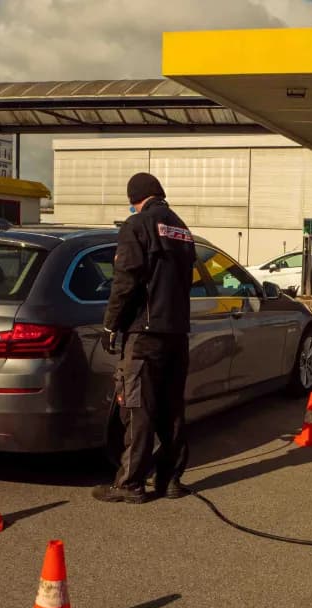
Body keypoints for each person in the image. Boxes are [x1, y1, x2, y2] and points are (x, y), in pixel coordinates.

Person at [92, 173, 196, 504]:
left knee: (137, 409)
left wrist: (111, 325)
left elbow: (125, 281)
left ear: (135, 198)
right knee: (172, 408)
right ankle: (171, 479)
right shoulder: (182, 229)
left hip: (145, 334)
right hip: (177, 334)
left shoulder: (137, 225)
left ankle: (130, 483)